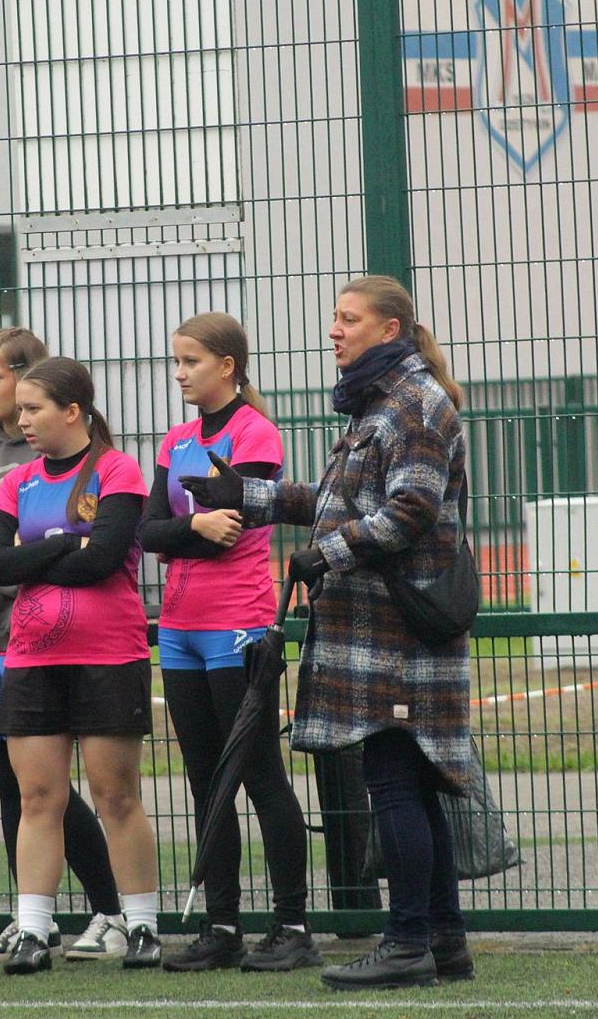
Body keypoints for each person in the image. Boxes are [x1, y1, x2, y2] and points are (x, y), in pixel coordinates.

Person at [182, 276, 477, 990]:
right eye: (335, 318)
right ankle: (442, 943)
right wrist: (248, 495)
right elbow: (338, 500)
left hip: (397, 635)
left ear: (391, 330)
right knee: (411, 782)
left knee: (396, 783)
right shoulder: (381, 403)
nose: (335, 331)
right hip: (374, 630)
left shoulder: (415, 404)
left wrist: (328, 553)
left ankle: (407, 943)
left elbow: (410, 510)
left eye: (349, 319)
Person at [0, 328, 127, 962]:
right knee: (14, 790)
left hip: (33, 639)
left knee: (51, 792)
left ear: (31, 380)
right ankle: (31, 917)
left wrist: (5, 544)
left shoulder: (58, 465)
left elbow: (34, 552)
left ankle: (111, 909)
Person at [138, 313, 318, 973]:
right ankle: (222, 926)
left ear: (228, 366)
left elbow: (234, 530)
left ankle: (292, 925)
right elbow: (148, 532)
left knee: (260, 773)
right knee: (204, 779)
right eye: (176, 362)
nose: (179, 373)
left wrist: (192, 528)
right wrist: (194, 525)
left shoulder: (254, 431)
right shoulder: (176, 440)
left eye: (190, 361)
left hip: (236, 625)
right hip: (179, 630)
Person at [0, 357, 160, 975]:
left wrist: (33, 553)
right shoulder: (18, 481)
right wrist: (61, 544)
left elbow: (102, 559)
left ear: (73, 411)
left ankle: (141, 926)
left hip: (108, 654)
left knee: (116, 796)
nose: (22, 419)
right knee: (38, 798)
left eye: (34, 409)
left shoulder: (116, 470)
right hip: (32, 658)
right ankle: (34, 931)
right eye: (21, 410)